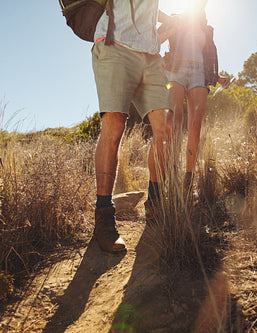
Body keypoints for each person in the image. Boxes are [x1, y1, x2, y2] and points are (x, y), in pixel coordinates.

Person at [91, 0, 173, 253]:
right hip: (114, 46)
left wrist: (165, 30)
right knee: (114, 126)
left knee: (165, 129)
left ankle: (156, 206)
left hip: (151, 57)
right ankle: (104, 218)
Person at [159, 0, 230, 198]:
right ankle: (172, 172)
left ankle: (188, 179)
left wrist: (218, 77)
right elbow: (156, 38)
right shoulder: (176, 19)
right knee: (175, 120)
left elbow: (208, 56)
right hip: (176, 70)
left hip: (199, 72)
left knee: (195, 126)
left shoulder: (206, 29)